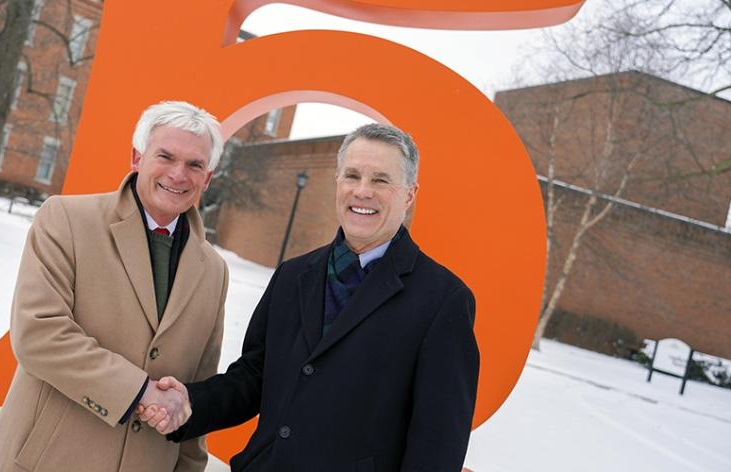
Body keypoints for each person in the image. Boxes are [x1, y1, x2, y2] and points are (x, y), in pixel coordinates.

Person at [143, 123, 480, 471]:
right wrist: (189, 404)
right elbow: (254, 378)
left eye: (381, 180)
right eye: (352, 176)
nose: (362, 191)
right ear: (338, 183)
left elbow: (436, 443)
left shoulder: (443, 300)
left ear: (409, 194)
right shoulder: (293, 275)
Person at [0, 101, 229, 472]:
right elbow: (39, 334)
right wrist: (140, 391)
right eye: (166, 156)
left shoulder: (214, 270)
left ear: (207, 179)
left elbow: (196, 386)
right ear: (137, 157)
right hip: (46, 461)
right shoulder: (66, 219)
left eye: (195, 165)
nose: (179, 174)